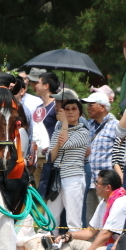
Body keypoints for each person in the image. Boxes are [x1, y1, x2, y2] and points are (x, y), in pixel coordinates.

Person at [18, 170, 126, 250]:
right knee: (69, 242)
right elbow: (90, 231)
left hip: (116, 249)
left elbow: (106, 234)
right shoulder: (104, 202)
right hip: (103, 245)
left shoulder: (120, 203)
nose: (95, 185)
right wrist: (68, 235)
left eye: (97, 183)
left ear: (108, 187)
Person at [46, 99, 89, 231]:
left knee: (73, 219)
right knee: (50, 217)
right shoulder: (58, 130)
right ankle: (48, 244)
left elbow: (64, 143)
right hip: (57, 176)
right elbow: (51, 157)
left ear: (80, 113)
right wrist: (62, 128)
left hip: (73, 176)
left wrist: (64, 122)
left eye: (74, 109)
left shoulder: (83, 132)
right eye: (67, 109)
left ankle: (74, 248)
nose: (70, 112)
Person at [81, 91, 118, 224]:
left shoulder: (115, 125)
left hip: (106, 183)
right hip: (89, 180)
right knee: (90, 219)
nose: (88, 108)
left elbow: (119, 155)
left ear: (102, 107)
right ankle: (91, 244)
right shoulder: (88, 125)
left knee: (106, 218)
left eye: (91, 105)